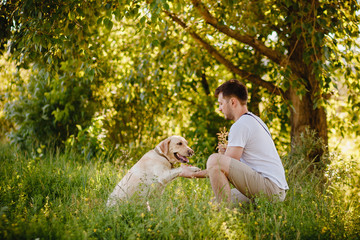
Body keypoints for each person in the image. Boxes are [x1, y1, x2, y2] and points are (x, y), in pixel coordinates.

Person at [180, 79, 289, 205]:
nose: (220, 109)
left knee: (214, 160)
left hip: (270, 188)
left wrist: (192, 174)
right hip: (272, 189)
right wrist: (226, 156)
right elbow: (238, 166)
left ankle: (225, 214)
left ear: (232, 102)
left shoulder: (241, 125)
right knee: (211, 205)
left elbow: (220, 165)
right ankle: (227, 217)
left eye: (221, 104)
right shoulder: (254, 120)